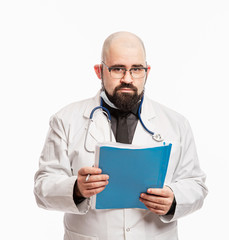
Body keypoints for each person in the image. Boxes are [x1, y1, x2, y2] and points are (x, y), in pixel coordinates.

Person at [33, 31, 208, 240]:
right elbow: (42, 188)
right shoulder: (65, 120)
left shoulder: (176, 123)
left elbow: (196, 185)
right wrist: (76, 189)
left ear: (147, 71)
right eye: (118, 69)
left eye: (136, 69)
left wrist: (173, 200)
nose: (128, 79)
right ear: (99, 71)